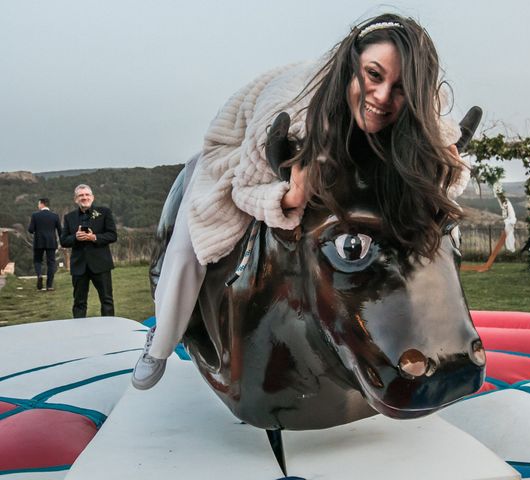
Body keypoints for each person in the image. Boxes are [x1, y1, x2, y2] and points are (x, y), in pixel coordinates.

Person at [132, 13, 468, 390]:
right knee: (189, 249)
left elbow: (445, 163)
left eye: (401, 87)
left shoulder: (427, 105)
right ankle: (159, 343)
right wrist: (288, 195)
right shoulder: (292, 110)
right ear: (352, 66)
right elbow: (244, 187)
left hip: (324, 148)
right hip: (236, 154)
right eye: (374, 76)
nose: (383, 96)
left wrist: (447, 169)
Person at [60, 184, 118, 317]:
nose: (84, 197)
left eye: (87, 195)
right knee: (79, 302)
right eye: (81, 195)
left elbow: (112, 235)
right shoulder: (69, 217)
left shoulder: (104, 212)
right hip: (79, 266)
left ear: (92, 197)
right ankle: (79, 332)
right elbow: (64, 241)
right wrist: (76, 237)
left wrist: (94, 237)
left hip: (101, 264)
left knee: (106, 300)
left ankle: (109, 330)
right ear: (76, 199)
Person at [28, 198, 62, 291]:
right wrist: (62, 242)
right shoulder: (55, 216)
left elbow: (30, 230)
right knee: (51, 263)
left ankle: (39, 275)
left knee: (37, 260)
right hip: (51, 242)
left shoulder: (35, 215)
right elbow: (60, 231)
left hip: (39, 241)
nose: (38, 205)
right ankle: (49, 285)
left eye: (38, 204)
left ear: (42, 204)